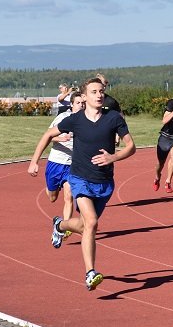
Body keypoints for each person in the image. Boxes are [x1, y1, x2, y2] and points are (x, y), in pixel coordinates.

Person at [28, 78, 136, 290]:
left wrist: (114, 158)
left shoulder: (113, 118)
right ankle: (90, 272)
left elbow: (131, 146)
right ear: (84, 97)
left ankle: (59, 225)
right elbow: (49, 134)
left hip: (104, 182)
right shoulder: (75, 119)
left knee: (84, 225)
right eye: (94, 91)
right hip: (79, 178)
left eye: (101, 91)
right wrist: (34, 161)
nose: (99, 95)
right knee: (92, 222)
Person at [37, 92, 84, 249]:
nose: (81, 105)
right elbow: (48, 135)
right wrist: (60, 138)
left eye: (83, 103)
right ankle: (51, 188)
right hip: (56, 163)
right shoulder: (63, 118)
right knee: (52, 197)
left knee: (69, 197)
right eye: (78, 103)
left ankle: (62, 228)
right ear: (71, 104)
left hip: (71, 165)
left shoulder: (86, 120)